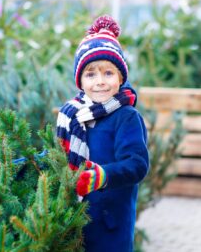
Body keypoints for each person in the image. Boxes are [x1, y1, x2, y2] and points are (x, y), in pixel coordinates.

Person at [56, 15, 149, 252]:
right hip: (76, 218)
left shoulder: (126, 117)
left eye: (108, 73)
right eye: (91, 74)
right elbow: (57, 156)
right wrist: (18, 165)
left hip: (111, 222)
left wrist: (103, 176)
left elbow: (137, 164)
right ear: (80, 80)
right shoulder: (74, 116)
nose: (100, 82)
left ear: (120, 77)